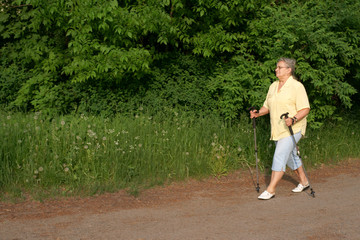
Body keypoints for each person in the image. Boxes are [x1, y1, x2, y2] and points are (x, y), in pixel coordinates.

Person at [250, 57, 310, 200]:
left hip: (294, 128)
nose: (276, 69)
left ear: (289, 70)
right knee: (290, 157)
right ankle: (304, 181)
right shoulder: (273, 86)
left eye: (279, 67)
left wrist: (294, 119)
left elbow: (305, 108)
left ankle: (271, 190)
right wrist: (258, 113)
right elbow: (267, 106)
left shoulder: (297, 86)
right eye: (276, 67)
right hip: (277, 130)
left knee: (279, 155)